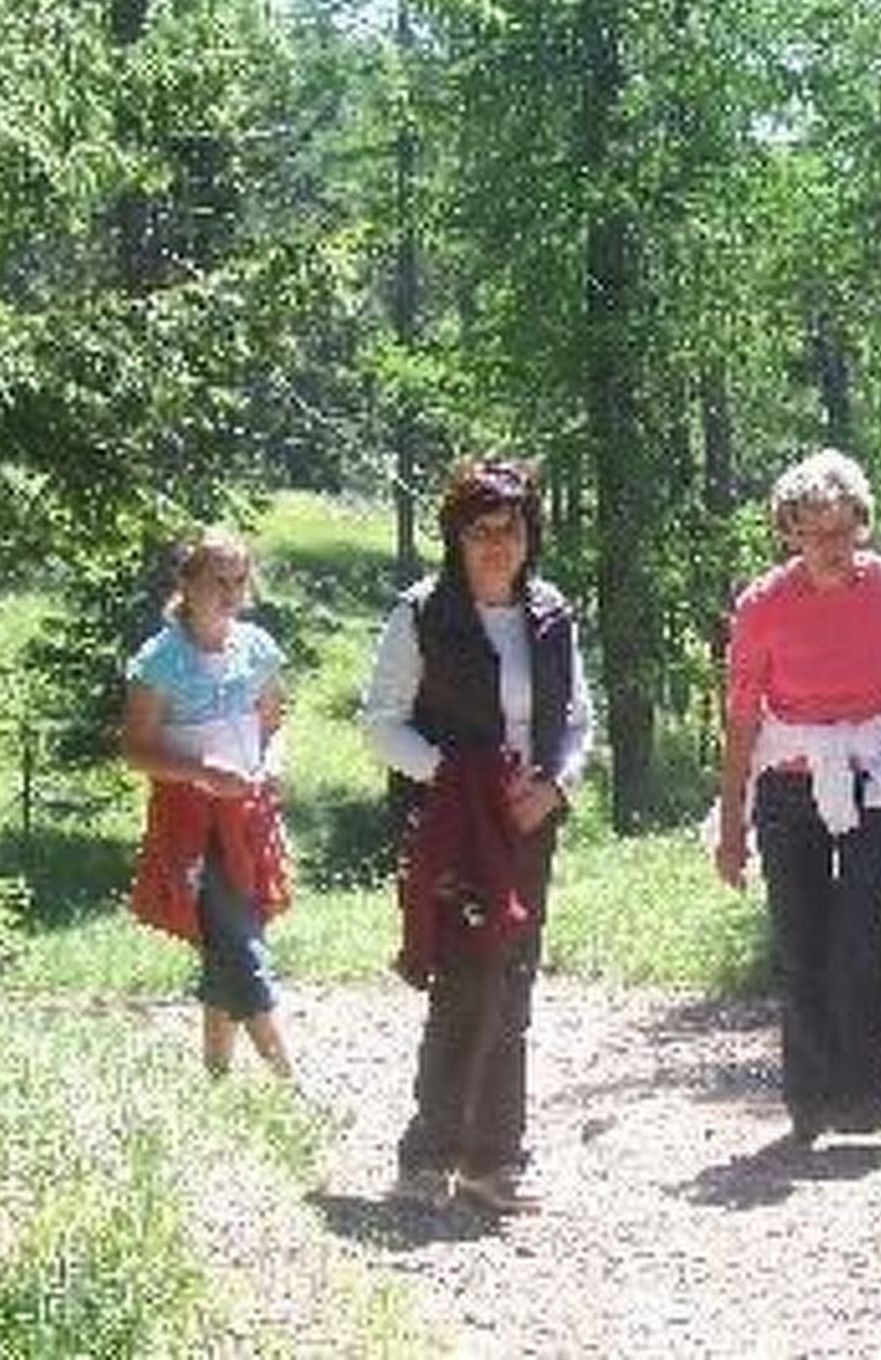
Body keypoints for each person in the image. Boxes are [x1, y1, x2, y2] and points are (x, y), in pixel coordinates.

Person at [362, 458, 592, 1214]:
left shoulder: (552, 614)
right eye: (481, 530)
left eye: (512, 528)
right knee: (464, 980)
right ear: (456, 537)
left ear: (532, 535)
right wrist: (459, 781)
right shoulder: (422, 613)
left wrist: (554, 785)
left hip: (528, 822)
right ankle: (427, 1157)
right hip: (452, 826)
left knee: (514, 981)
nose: (498, 544)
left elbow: (579, 722)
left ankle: (494, 1161)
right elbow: (382, 723)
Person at [714, 449, 881, 1147]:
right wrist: (733, 824)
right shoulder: (762, 603)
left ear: (862, 525)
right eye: (814, 533)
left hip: (878, 774)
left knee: (859, 929)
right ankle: (808, 1100)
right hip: (789, 780)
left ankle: (863, 1095)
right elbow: (741, 717)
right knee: (800, 938)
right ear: (789, 531)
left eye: (843, 531)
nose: (831, 547)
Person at [121, 526, 294, 1082]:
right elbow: (136, 749)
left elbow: (274, 724)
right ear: (186, 582)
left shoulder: (258, 648)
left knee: (229, 940)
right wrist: (199, 772)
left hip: (249, 817)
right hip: (191, 826)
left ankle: (215, 1077)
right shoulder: (159, 660)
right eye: (217, 579)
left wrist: (272, 764)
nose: (230, 591)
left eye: (239, 580)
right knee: (240, 945)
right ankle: (288, 1082)